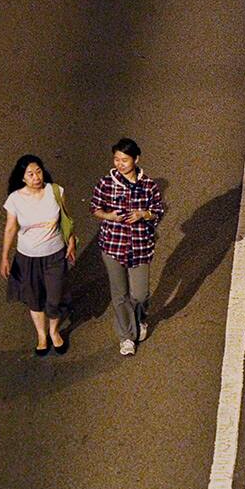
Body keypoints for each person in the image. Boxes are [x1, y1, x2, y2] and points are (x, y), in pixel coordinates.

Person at [90, 138, 165, 356]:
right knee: (119, 294)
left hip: (140, 245)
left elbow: (157, 211)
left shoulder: (148, 185)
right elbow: (95, 208)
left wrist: (143, 214)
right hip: (113, 245)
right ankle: (126, 336)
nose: (120, 163)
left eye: (124, 159)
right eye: (116, 159)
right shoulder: (106, 183)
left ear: (136, 159)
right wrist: (109, 216)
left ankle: (140, 319)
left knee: (140, 294)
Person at [0, 154, 76, 356]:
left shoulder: (56, 191)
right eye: (30, 174)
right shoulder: (15, 199)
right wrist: (5, 256)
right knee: (34, 299)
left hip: (55, 255)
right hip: (28, 258)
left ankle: (54, 331)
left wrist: (71, 240)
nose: (36, 177)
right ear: (22, 178)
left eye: (38, 171)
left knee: (54, 297)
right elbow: (10, 228)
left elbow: (65, 218)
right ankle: (41, 335)